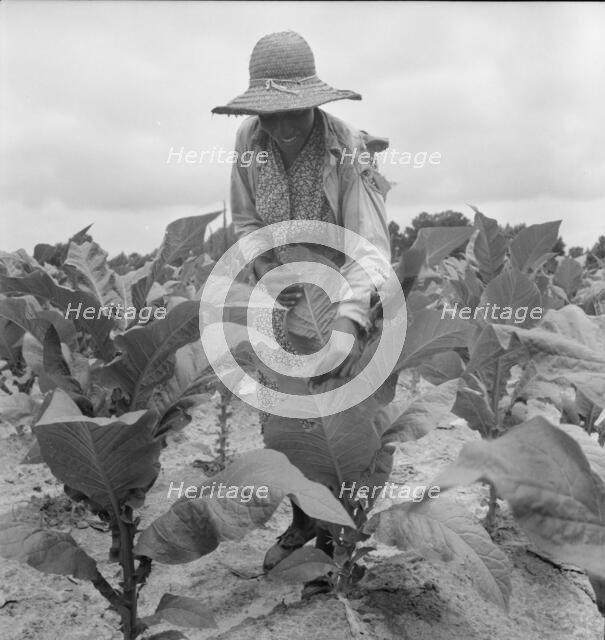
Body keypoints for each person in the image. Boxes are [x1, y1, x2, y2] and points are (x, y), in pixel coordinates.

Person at [212, 30, 392, 596]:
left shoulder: (346, 150)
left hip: (346, 292)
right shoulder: (250, 137)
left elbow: (368, 248)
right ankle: (304, 517)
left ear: (314, 102)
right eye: (271, 114)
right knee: (283, 416)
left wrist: (347, 320)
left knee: (344, 418)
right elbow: (244, 221)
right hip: (284, 295)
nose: (282, 126)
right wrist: (271, 272)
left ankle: (343, 540)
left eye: (294, 112)